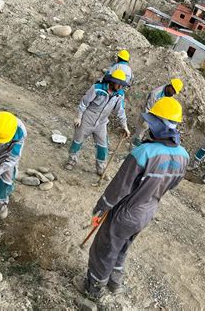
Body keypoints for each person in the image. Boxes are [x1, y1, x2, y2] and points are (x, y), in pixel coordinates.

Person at [73, 97, 189, 300]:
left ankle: (93, 288)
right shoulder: (183, 155)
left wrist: (102, 208)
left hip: (126, 211)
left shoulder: (144, 152)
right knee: (124, 244)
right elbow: (172, 184)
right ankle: (114, 282)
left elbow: (119, 188)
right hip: (148, 210)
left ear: (159, 125)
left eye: (152, 122)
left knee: (105, 248)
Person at [66, 69, 131, 175]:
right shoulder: (97, 88)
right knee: (77, 141)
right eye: (119, 84)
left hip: (102, 122)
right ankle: (71, 161)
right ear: (112, 82)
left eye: (121, 85)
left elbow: (121, 111)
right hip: (87, 118)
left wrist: (125, 126)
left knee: (103, 146)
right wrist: (79, 117)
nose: (120, 87)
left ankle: (101, 169)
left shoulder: (119, 94)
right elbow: (84, 103)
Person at [131, 78, 183, 148]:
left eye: (175, 92)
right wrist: (151, 122)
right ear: (170, 86)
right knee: (143, 127)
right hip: (149, 113)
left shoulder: (170, 95)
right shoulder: (155, 94)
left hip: (159, 117)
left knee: (153, 135)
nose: (173, 93)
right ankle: (133, 145)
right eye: (173, 90)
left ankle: (147, 146)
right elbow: (148, 109)